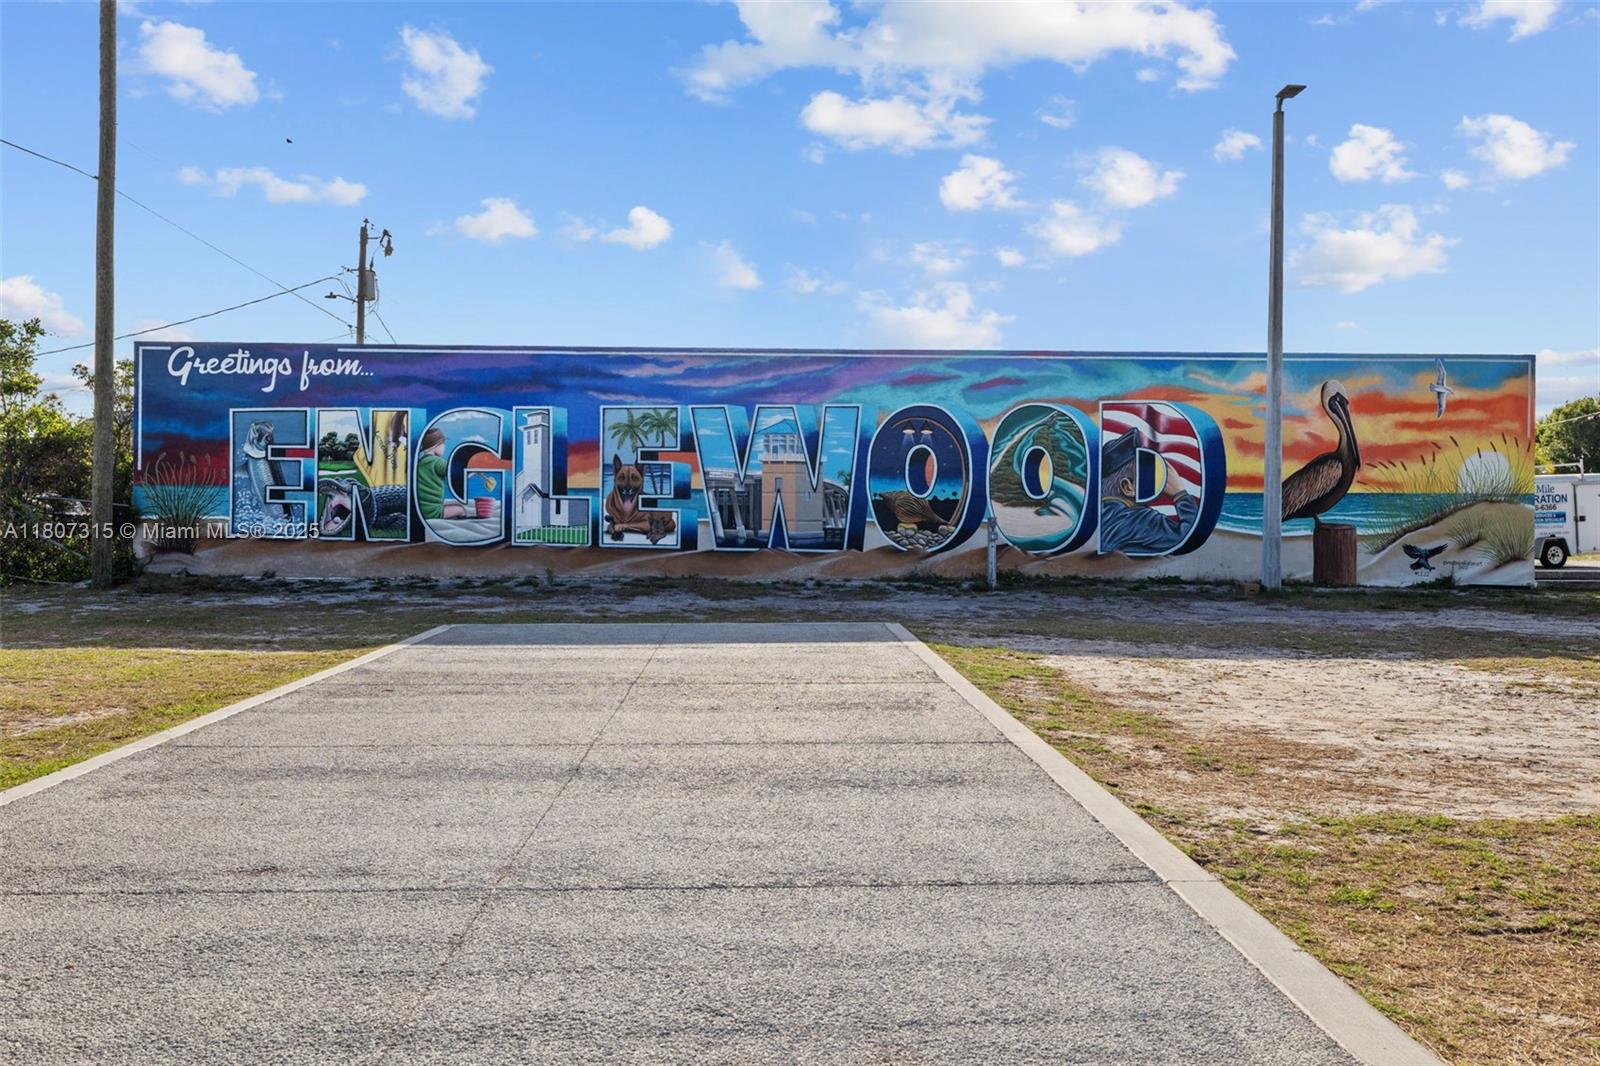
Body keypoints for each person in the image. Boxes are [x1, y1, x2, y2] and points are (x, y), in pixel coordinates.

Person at [1098, 429, 1199, 555]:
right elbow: (1191, 539)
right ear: (1127, 487)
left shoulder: (1094, 516)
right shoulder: (1139, 520)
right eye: (1143, 476)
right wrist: (1180, 495)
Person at [414, 427, 467, 520]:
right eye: (443, 444)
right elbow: (457, 474)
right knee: (461, 509)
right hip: (432, 512)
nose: (444, 447)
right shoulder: (438, 462)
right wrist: (472, 471)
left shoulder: (420, 462)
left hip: (419, 509)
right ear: (436, 445)